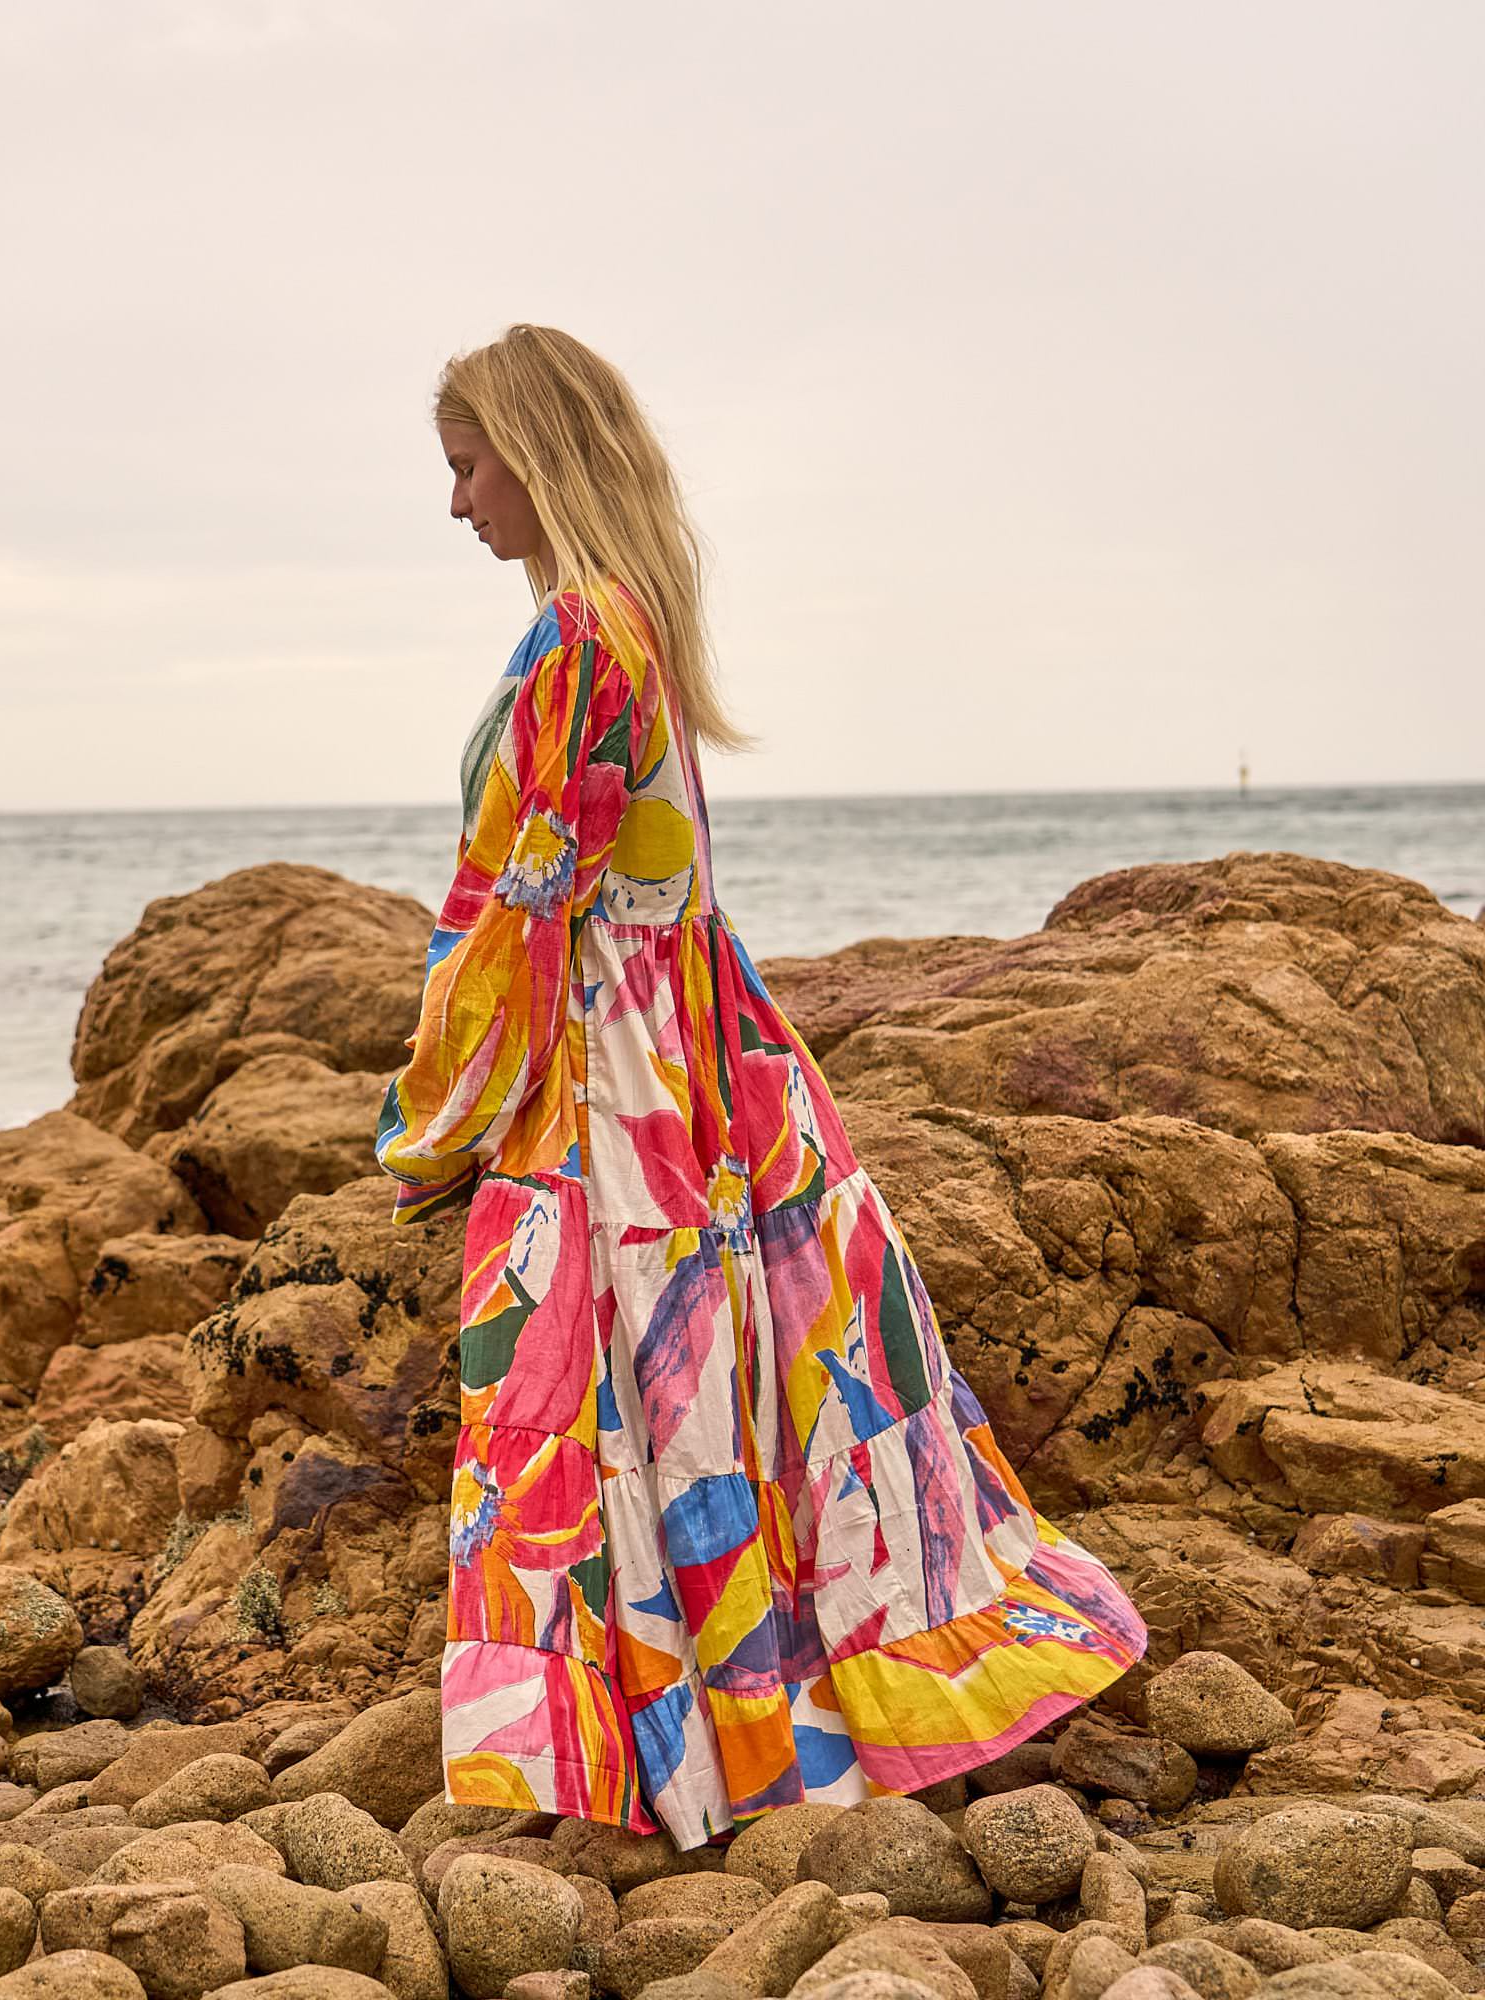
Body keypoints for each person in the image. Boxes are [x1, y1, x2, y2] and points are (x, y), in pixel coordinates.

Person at [373, 322, 1146, 1851]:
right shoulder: (634, 618)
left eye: (467, 465)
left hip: (617, 1074)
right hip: (694, 1052)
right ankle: (727, 1730)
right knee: (711, 1394)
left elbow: (520, 909)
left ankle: (662, 1750)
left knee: (613, 1397)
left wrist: (431, 1122)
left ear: (534, 449)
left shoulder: (581, 637)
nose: (457, 503)